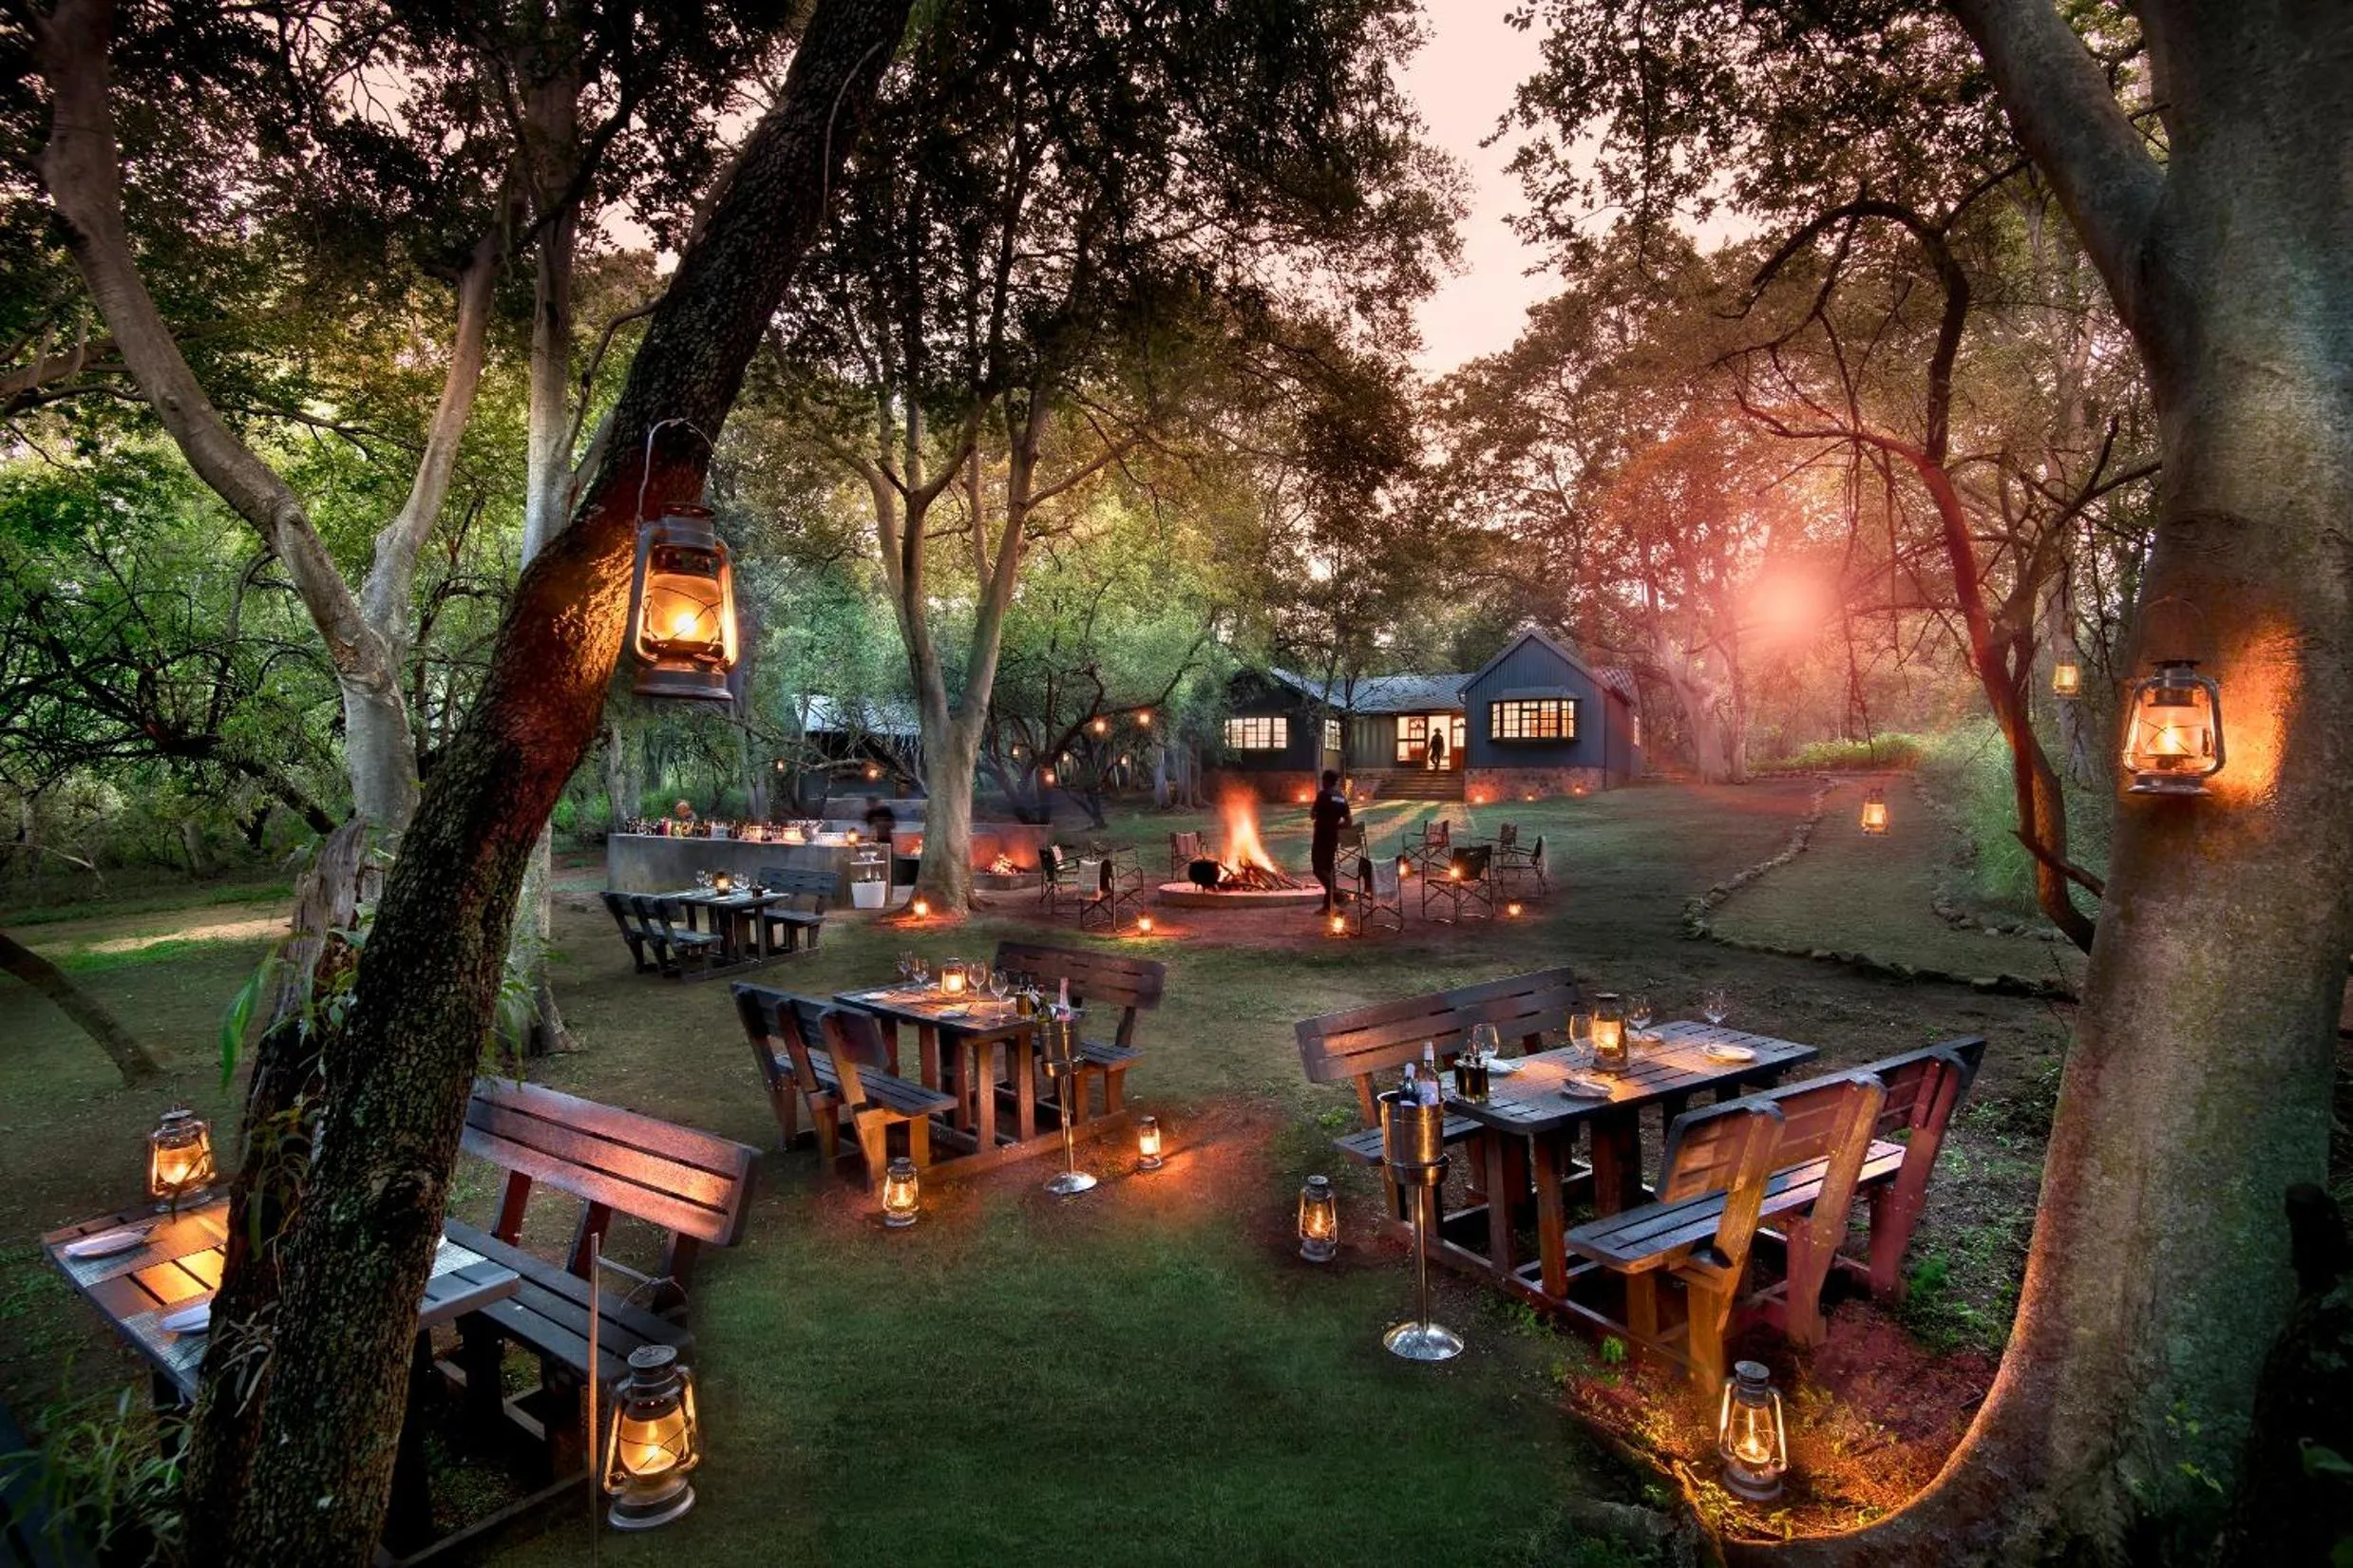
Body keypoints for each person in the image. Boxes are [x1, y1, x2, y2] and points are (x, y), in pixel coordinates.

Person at [1309, 769, 1352, 915]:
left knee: (1318, 869)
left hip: (1321, 836)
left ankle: (1338, 894)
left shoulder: (1323, 795)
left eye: (1323, 780)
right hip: (1333, 838)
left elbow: (1312, 815)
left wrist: (1320, 817)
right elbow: (1348, 822)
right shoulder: (1341, 797)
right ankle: (1328, 907)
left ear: (1326, 781)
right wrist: (1335, 827)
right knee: (1329, 869)